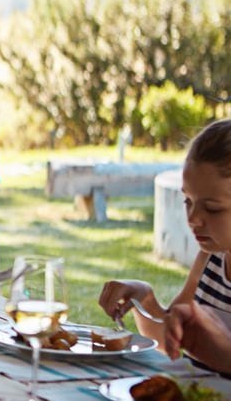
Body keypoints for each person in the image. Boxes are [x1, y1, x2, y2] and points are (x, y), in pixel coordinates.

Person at [99, 119, 231, 354]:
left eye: (212, 208)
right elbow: (167, 339)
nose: (192, 219)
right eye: (188, 201)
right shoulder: (210, 260)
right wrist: (145, 300)